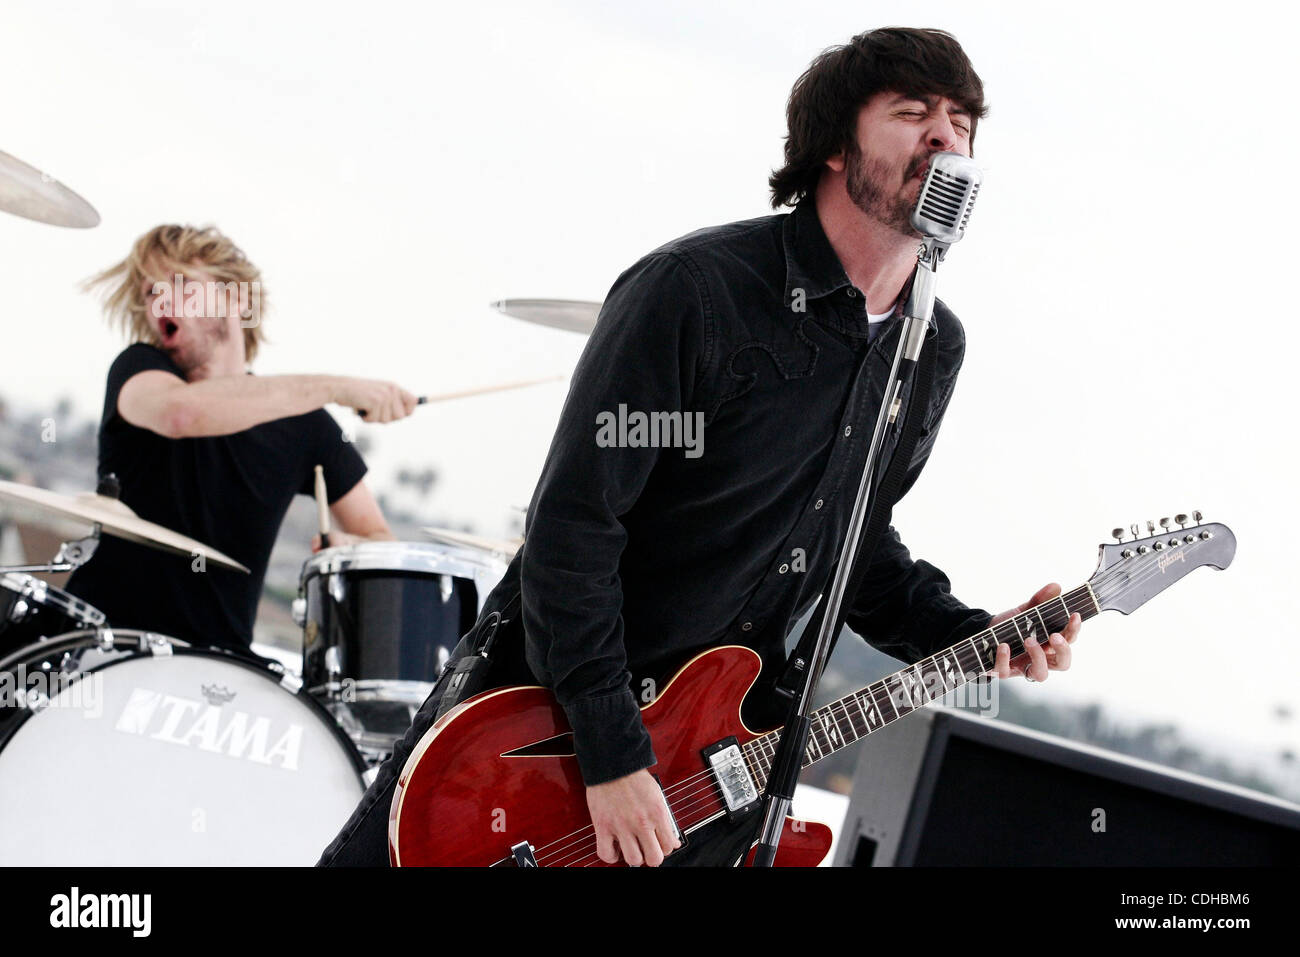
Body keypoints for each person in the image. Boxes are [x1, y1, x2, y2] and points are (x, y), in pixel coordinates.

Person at [319, 26, 1082, 868]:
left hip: (714, 784)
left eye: (962, 120)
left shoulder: (929, 345)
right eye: (912, 113)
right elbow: (576, 529)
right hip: (542, 742)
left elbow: (852, 546)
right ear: (835, 145)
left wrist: (970, 633)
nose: (946, 137)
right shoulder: (697, 292)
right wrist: (613, 750)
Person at [66, 224, 418, 656]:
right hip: (102, 647)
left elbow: (382, 542)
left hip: (222, 675)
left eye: (178, 286)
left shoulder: (306, 426)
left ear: (235, 297)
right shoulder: (140, 370)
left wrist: (351, 548)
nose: (160, 303)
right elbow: (182, 413)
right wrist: (337, 386)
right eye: (151, 293)